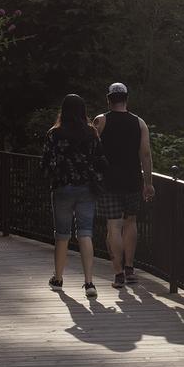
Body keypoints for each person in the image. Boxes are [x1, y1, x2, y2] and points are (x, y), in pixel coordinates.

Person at [40, 93, 107, 298]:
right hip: (87, 188)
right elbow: (100, 160)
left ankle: (58, 278)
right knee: (85, 233)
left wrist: (52, 175)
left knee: (62, 234)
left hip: (62, 188)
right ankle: (89, 283)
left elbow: (47, 162)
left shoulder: (54, 133)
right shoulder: (91, 133)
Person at [94, 82, 154, 289]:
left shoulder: (100, 121)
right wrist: (148, 183)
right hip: (132, 181)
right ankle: (130, 269)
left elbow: (91, 150)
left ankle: (118, 273)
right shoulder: (139, 123)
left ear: (108, 99)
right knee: (131, 223)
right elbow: (145, 154)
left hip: (108, 181)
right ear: (126, 99)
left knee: (114, 225)